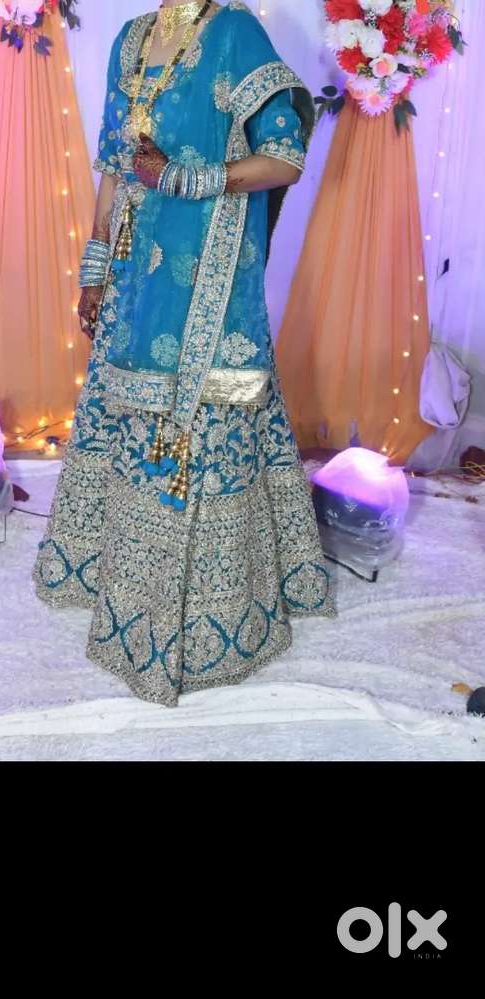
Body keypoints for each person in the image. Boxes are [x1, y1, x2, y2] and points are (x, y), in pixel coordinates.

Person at [33, 0, 336, 707]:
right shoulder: (132, 38)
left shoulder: (233, 32)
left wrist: (188, 178)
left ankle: (212, 611)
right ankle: (122, 583)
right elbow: (115, 168)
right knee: (125, 411)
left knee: (207, 421)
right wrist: (94, 269)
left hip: (206, 281)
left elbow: (285, 157)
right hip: (136, 281)